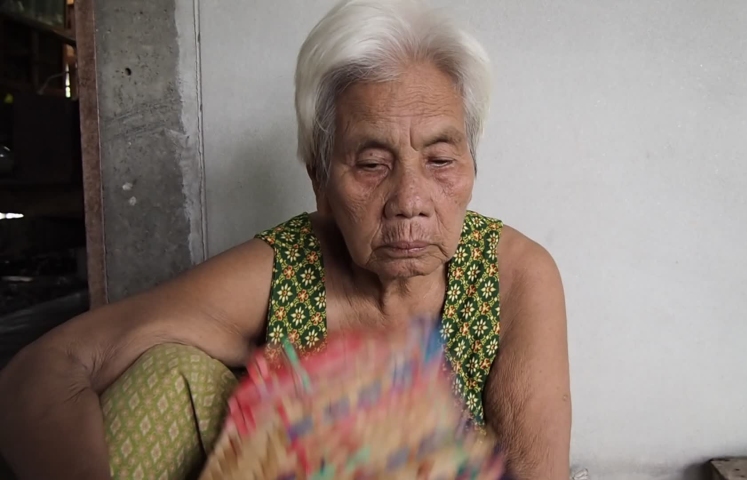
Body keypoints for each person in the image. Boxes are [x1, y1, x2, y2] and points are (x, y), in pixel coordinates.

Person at [0, 0, 571, 478]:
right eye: (372, 163)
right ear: (319, 179)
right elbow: (50, 364)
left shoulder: (515, 275)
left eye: (441, 159)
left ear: (471, 166)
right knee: (168, 372)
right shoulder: (288, 266)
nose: (411, 199)